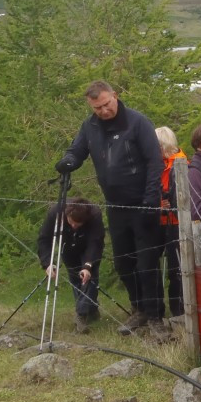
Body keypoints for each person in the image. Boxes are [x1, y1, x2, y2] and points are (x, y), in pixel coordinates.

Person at [56, 80, 164, 336]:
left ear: (114, 96)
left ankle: (156, 316)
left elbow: (155, 162)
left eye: (106, 104)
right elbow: (77, 151)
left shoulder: (138, 122)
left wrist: (151, 200)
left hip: (143, 204)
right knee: (123, 264)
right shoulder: (90, 126)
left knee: (147, 264)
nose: (104, 111)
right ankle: (138, 309)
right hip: (115, 206)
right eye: (97, 108)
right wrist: (67, 162)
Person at [37, 197, 105, 333]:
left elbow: (95, 242)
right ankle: (91, 311)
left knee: (88, 277)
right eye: (71, 222)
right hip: (67, 245)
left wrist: (87, 266)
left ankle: (81, 315)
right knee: (76, 278)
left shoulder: (95, 215)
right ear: (67, 215)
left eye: (78, 224)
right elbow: (44, 239)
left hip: (88, 246)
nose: (74, 226)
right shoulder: (55, 213)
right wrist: (48, 263)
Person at [155, 126, 187, 318]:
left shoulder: (180, 163)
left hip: (176, 223)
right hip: (157, 220)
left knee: (177, 268)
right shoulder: (155, 164)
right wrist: (157, 203)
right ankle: (157, 309)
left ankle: (178, 309)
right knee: (151, 264)